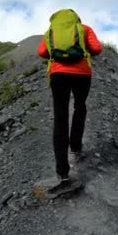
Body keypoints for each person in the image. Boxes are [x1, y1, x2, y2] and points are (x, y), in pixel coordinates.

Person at [37, 9, 102, 182]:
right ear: (76, 19)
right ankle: (75, 146)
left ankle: (62, 171)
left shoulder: (49, 32)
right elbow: (97, 48)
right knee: (80, 106)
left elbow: (42, 52)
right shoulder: (85, 29)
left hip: (58, 75)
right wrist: (82, 48)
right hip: (82, 74)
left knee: (60, 117)